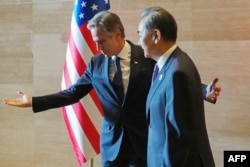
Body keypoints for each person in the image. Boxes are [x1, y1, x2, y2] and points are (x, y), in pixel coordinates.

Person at [3, 11, 220, 167]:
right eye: (95, 42)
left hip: (142, 144)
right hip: (112, 146)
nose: (97, 48)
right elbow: (72, 93)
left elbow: (170, 79)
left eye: (102, 41)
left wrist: (203, 91)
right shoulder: (96, 63)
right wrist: (34, 101)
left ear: (118, 34)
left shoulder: (145, 56)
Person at [137, 7, 216, 167]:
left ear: (156, 35)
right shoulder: (170, 64)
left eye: (140, 34)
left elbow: (178, 138)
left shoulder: (177, 71)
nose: (139, 41)